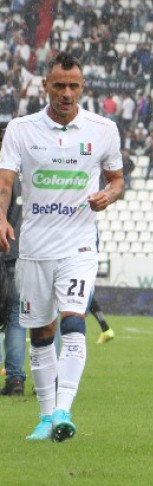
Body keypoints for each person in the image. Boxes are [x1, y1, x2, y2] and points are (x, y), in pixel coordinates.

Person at [0, 52, 124, 441]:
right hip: (34, 245)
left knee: (73, 324)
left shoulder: (103, 129)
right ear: (46, 87)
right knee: (40, 335)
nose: (66, 93)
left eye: (73, 86)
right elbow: (4, 183)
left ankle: (63, 410)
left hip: (79, 244)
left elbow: (117, 179)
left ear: (83, 87)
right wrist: (2, 218)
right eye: (59, 85)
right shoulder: (21, 129)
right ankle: (44, 417)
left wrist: (110, 195)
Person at [0, 122, 26, 396]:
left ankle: (14, 377)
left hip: (4, 252)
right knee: (21, 317)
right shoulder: (28, 174)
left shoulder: (4, 178)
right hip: (25, 253)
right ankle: (17, 379)